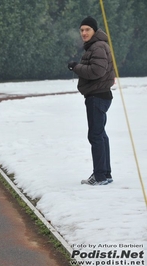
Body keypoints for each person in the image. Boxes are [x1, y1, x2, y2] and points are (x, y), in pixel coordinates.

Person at [67, 16, 115, 186]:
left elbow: (97, 71)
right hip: (98, 96)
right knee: (100, 134)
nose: (84, 33)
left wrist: (76, 67)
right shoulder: (96, 46)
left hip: (97, 97)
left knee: (96, 135)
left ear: (94, 31)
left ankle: (100, 176)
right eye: (82, 30)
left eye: (87, 29)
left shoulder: (98, 46)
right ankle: (105, 174)